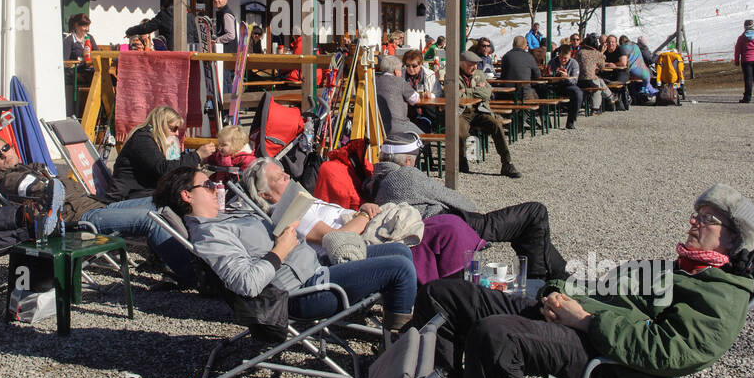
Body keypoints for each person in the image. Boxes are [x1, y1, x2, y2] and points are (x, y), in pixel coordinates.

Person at [395, 184, 754, 378]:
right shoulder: (682, 268)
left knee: (496, 336)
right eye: (696, 213)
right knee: (442, 294)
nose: (693, 221)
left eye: (707, 218)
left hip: (608, 359)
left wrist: (587, 321)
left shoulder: (722, 293)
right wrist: (558, 293)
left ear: (734, 239)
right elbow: (611, 294)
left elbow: (671, 351)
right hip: (576, 321)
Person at [153, 165, 418, 334]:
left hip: (314, 269)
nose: (216, 188)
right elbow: (246, 283)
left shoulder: (225, 217)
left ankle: (393, 327)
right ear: (187, 195)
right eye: (208, 185)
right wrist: (280, 249)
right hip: (302, 291)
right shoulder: (210, 234)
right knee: (400, 268)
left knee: (399, 251)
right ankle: (398, 345)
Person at [0, 133, 198, 285]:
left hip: (95, 205)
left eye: (5, 148)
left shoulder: (28, 167)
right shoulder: (10, 180)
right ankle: (195, 276)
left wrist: (61, 182)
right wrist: (61, 182)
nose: (5, 154)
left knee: (163, 200)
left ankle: (189, 257)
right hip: (81, 218)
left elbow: (57, 186)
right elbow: (50, 189)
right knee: (150, 219)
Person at [243, 153, 484, 285]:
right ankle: (456, 290)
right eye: (280, 178)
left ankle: (457, 285)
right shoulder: (292, 214)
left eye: (285, 173)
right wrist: (362, 215)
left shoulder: (302, 201)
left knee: (445, 223)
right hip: (360, 246)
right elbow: (336, 239)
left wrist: (364, 208)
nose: (288, 177)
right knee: (446, 229)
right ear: (265, 194)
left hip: (369, 227)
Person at [368, 131, 565, 278]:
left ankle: (561, 276)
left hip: (432, 230)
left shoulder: (375, 181)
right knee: (535, 212)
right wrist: (472, 208)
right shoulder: (406, 175)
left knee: (527, 232)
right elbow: (452, 198)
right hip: (450, 228)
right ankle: (539, 281)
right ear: (409, 161)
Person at [110, 105, 216, 201]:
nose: (177, 133)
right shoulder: (142, 139)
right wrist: (197, 155)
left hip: (140, 195)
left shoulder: (150, 139)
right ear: (161, 125)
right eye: (174, 129)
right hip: (127, 198)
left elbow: (170, 165)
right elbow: (163, 168)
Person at [456, 50, 520, 178]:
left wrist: (466, 91)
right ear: (461, 64)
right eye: (471, 64)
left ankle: (507, 162)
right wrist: (476, 90)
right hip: (462, 111)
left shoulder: (479, 74)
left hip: (480, 110)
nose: (474, 67)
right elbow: (455, 95)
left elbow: (487, 93)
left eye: (476, 64)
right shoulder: (453, 75)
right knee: (461, 133)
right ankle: (462, 160)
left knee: (496, 125)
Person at [375, 54, 421, 137]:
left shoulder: (375, 81)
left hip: (377, 126)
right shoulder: (399, 81)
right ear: (396, 71)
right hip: (398, 125)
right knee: (424, 138)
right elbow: (415, 100)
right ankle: (424, 150)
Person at [124, 0, 199, 52]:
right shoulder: (191, 17)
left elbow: (146, 27)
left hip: (172, 54)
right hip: (190, 54)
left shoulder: (165, 15)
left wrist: (130, 31)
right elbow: (197, 38)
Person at [401, 48, 441, 133]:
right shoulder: (401, 75)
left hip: (426, 112)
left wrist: (431, 95)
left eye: (414, 66)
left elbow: (439, 94)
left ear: (420, 64)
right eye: (407, 65)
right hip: (405, 113)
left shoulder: (430, 75)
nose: (410, 68)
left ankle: (424, 144)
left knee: (423, 129)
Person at [546, 44, 582, 130]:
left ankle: (571, 121)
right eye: (561, 57)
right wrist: (554, 76)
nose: (562, 60)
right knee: (541, 91)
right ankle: (546, 122)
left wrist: (566, 77)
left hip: (567, 86)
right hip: (554, 86)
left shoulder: (574, 64)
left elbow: (574, 81)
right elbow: (547, 76)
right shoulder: (552, 62)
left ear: (570, 55)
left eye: (565, 58)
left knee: (578, 93)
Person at [574, 35, 611, 111]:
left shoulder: (579, 52)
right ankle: (595, 108)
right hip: (589, 81)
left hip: (578, 80)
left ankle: (610, 97)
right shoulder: (595, 53)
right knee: (597, 86)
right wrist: (602, 54)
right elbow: (602, 67)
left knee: (599, 80)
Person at [212, 0, 238, 93]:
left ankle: (226, 106)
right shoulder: (221, 12)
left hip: (227, 52)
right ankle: (228, 106)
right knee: (226, 80)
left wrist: (217, 40)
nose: (216, 0)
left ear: (225, 0)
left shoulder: (226, 13)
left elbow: (231, 35)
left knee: (224, 80)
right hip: (226, 51)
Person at [734, 19, 754, 104]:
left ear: (745, 27)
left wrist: (737, 60)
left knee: (748, 79)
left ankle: (747, 98)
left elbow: (737, 50)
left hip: (746, 60)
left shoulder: (741, 38)